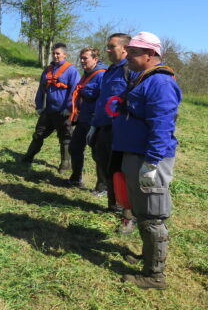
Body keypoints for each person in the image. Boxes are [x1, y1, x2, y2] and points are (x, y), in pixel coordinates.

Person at [111, 31, 181, 289]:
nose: (127, 56)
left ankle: (155, 275)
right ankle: (147, 258)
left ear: (151, 54)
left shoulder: (160, 83)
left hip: (148, 159)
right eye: (128, 51)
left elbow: (162, 125)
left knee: (152, 217)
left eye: (134, 52)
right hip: (136, 155)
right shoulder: (142, 79)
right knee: (142, 211)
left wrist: (151, 163)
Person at [87, 33, 137, 233]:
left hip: (120, 130)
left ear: (125, 48)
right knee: (104, 165)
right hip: (103, 128)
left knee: (121, 172)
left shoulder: (130, 71)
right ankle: (112, 204)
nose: (107, 50)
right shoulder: (108, 71)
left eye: (111, 46)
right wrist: (94, 125)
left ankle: (128, 217)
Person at [22, 42, 80, 173]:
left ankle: (65, 164)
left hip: (63, 112)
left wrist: (69, 108)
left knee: (65, 138)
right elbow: (41, 89)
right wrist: (39, 106)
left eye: (58, 53)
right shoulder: (47, 70)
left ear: (65, 55)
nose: (55, 55)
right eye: (53, 53)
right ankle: (28, 157)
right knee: (38, 134)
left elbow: (75, 91)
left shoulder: (71, 70)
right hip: (48, 111)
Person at [67, 47, 106, 187]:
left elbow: (103, 100)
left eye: (85, 58)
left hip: (95, 121)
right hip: (83, 119)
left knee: (98, 154)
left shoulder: (101, 75)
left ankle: (102, 186)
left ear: (95, 59)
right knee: (74, 147)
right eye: (81, 58)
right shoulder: (86, 74)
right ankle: (76, 178)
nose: (82, 61)